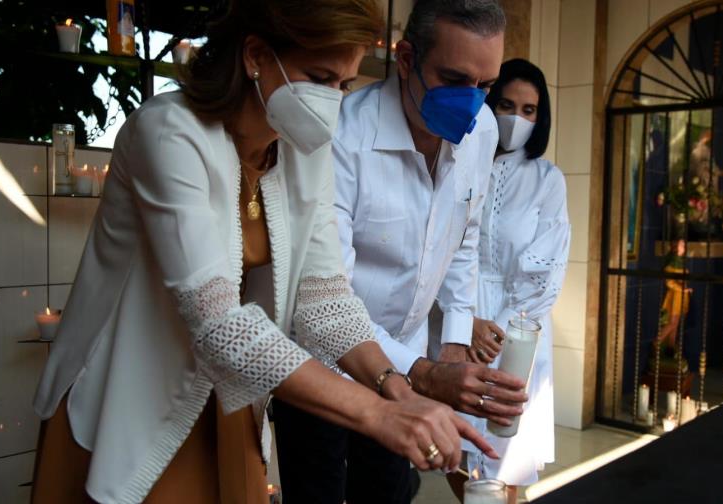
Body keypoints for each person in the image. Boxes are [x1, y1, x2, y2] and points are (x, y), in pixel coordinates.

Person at [29, 2, 494, 503]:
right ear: (255, 55)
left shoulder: (301, 149)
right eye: (319, 76)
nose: (333, 101)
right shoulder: (169, 133)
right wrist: (378, 414)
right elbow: (218, 323)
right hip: (127, 393)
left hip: (224, 399)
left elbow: (325, 300)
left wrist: (396, 388)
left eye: (344, 85)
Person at [272, 1, 528, 503]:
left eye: (485, 87)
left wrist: (453, 343)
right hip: (324, 365)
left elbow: (463, 238)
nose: (471, 104)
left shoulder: (483, 133)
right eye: (455, 80)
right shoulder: (340, 134)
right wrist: (424, 373)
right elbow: (325, 296)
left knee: (389, 494)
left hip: (408, 361)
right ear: (406, 59)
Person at [449, 58, 570, 503]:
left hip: (516, 331)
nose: (516, 118)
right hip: (458, 321)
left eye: (529, 110)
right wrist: (466, 324)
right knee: (457, 453)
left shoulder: (548, 180)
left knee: (504, 460)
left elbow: (547, 271)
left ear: (541, 118)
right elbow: (441, 249)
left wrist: (495, 330)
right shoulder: (459, 160)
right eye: (506, 104)